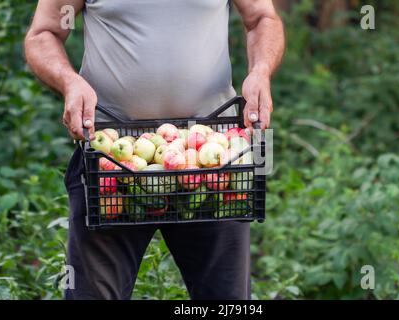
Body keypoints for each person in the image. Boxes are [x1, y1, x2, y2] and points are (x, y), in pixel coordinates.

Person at [24, 0, 285, 300]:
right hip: (111, 164)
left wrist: (260, 71)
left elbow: (262, 17)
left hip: (212, 161)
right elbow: (44, 33)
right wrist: (69, 82)